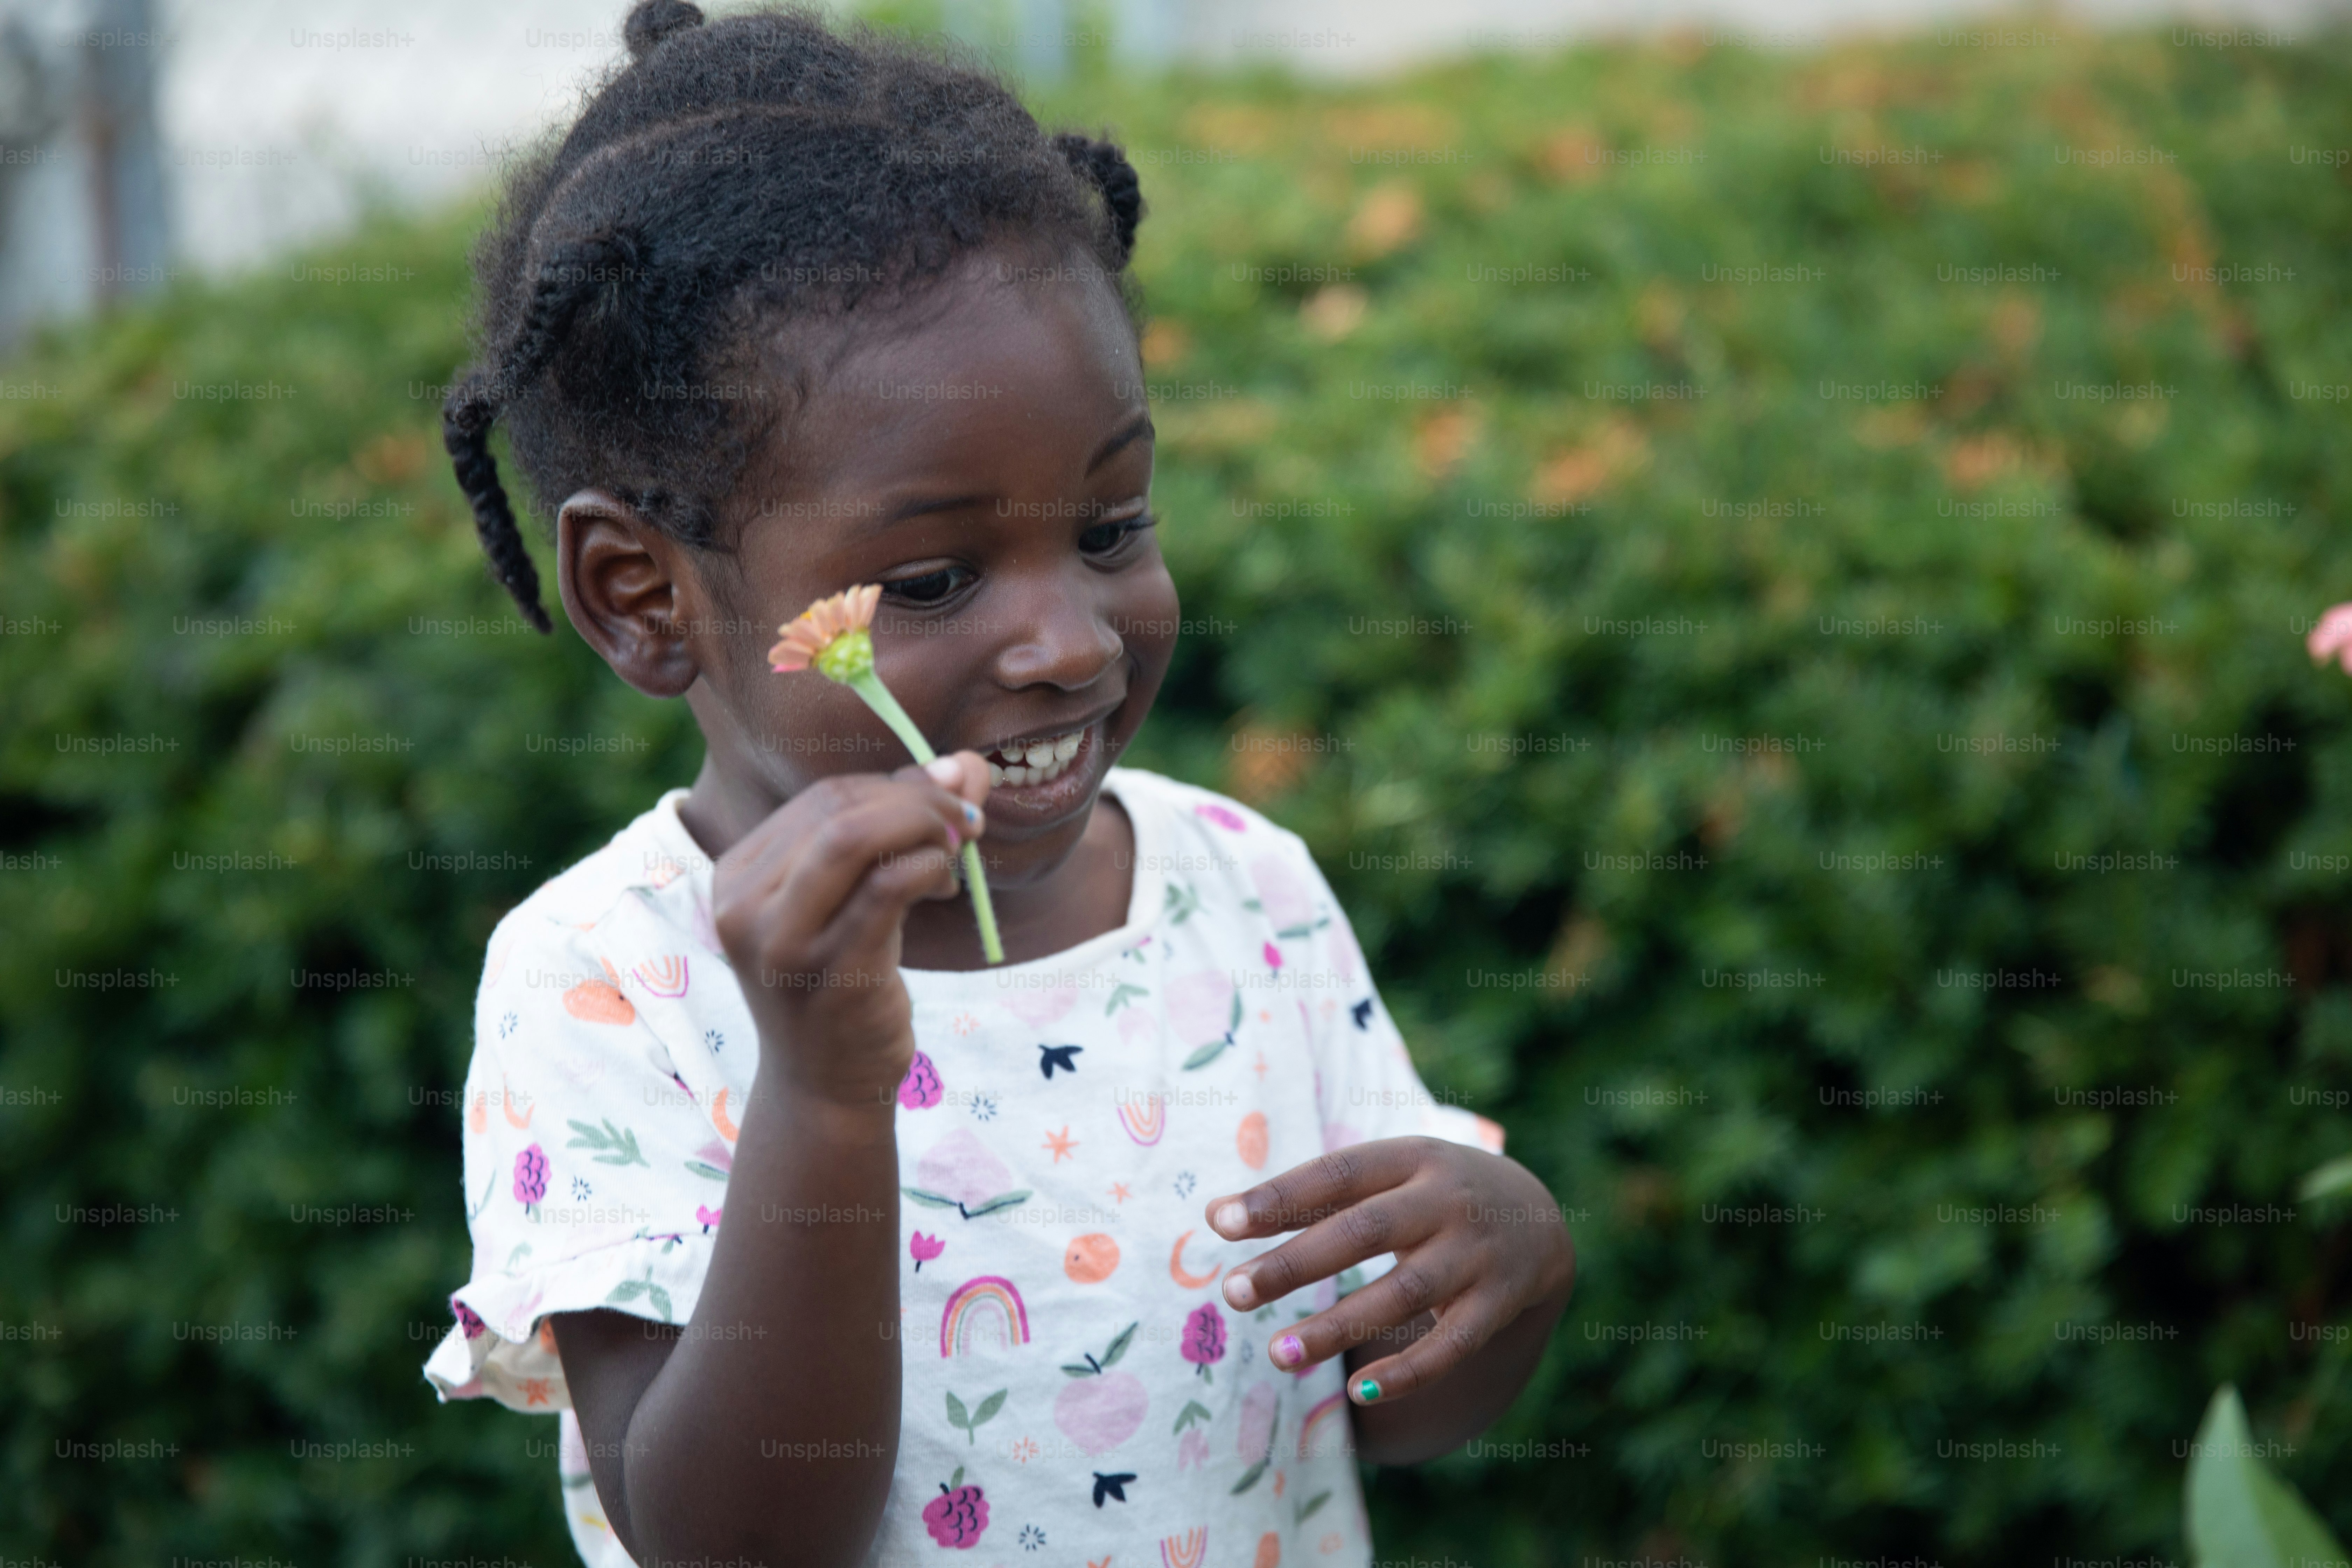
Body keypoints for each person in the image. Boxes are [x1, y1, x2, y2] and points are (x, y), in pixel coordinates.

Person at [420, 4, 1575, 1563]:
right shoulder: (610, 982)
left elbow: (1382, 1402)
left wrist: (1504, 1268)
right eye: (937, 575)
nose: (1066, 639)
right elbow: (733, 1539)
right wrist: (826, 1087)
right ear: (644, 595)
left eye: (1111, 527)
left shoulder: (1241, 889)